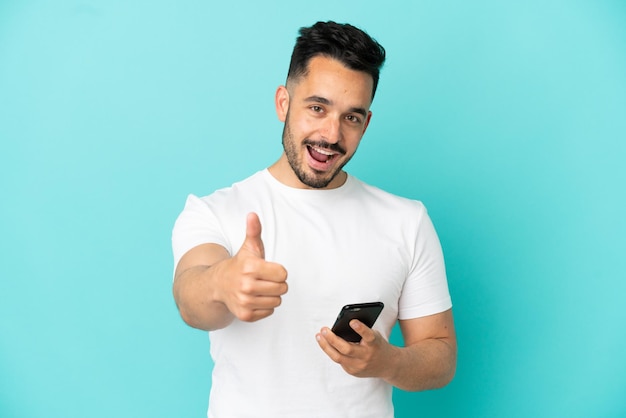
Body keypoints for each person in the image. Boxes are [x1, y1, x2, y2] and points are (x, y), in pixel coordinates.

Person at [172, 20, 456, 418]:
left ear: (366, 123)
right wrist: (223, 281)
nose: (332, 134)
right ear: (283, 103)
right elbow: (190, 298)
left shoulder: (407, 221)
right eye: (317, 108)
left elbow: (440, 355)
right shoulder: (215, 210)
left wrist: (387, 362)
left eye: (351, 117)